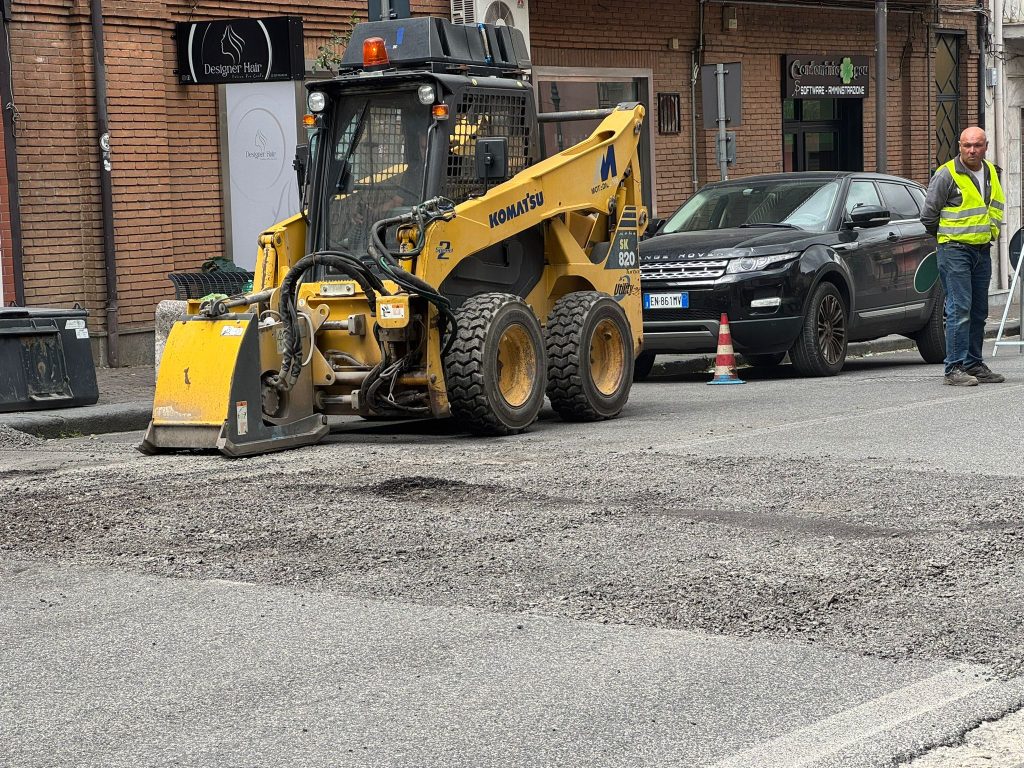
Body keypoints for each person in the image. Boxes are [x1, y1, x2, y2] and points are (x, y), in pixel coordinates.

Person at [920, 126, 1006, 386]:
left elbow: (994, 207)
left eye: (977, 145)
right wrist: (948, 238)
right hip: (954, 249)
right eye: (967, 145)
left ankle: (973, 363)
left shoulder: (991, 172)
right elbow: (928, 216)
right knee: (960, 308)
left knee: (979, 311)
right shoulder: (946, 174)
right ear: (959, 146)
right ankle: (953, 368)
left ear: (986, 146)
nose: (972, 150)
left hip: (981, 250)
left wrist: (990, 233)